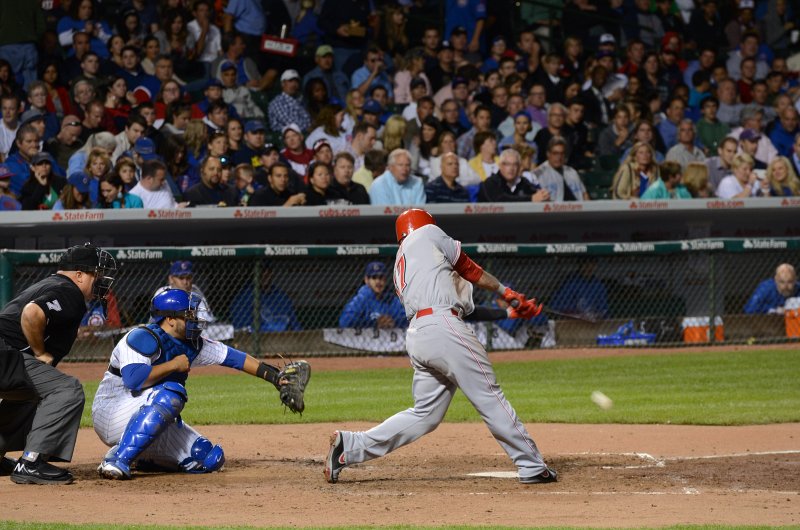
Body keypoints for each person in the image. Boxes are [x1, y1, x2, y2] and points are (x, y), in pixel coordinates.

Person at [325, 209, 557, 485]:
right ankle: (531, 465)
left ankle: (350, 446)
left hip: (420, 334)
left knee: (425, 414)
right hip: (444, 327)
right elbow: (469, 268)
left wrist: (509, 313)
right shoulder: (429, 233)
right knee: (489, 395)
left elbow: (465, 309)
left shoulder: (403, 261)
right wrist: (507, 293)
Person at [92, 288, 309, 479]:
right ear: (170, 319)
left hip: (144, 410)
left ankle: (141, 456)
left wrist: (276, 378)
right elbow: (134, 380)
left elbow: (234, 358)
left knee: (208, 458)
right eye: (189, 315)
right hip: (111, 412)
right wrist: (174, 365)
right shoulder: (142, 337)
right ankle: (117, 460)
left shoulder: (191, 344)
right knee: (172, 393)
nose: (195, 319)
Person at [0, 244, 116, 485]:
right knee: (67, 390)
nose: (101, 280)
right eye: (97, 273)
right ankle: (31, 463)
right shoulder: (69, 291)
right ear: (79, 275)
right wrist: (40, 352)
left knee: (31, 394)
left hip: (6, 354)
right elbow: (32, 313)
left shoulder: (50, 284)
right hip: (5, 354)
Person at [230, 263, 302, 332]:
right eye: (262, 273)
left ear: (271, 274)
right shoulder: (245, 297)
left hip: (283, 337)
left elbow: (295, 325)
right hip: (258, 338)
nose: (265, 276)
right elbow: (242, 328)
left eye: (267, 273)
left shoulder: (281, 296)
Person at [339, 262, 406, 329]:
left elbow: (406, 319)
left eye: (381, 277)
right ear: (366, 280)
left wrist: (393, 321)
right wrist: (375, 323)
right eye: (374, 277)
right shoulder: (360, 299)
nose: (378, 281)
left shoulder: (392, 300)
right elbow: (344, 322)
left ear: (385, 279)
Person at [478, 148, 550, 203]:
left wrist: (543, 195)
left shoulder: (522, 182)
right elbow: (500, 200)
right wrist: (531, 199)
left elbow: (534, 192)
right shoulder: (490, 183)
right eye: (507, 164)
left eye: (515, 164)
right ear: (500, 165)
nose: (511, 168)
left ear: (519, 167)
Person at [532, 137, 589, 202]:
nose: (559, 157)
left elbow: (584, 195)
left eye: (561, 153)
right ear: (548, 154)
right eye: (555, 153)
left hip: (577, 207)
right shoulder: (539, 173)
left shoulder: (572, 172)